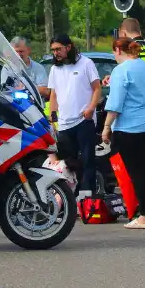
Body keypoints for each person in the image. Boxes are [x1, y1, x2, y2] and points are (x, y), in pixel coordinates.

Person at [101, 38, 145, 229]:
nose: (114, 57)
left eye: (114, 53)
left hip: (131, 128)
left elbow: (115, 104)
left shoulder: (121, 70)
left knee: (138, 172)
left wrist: (106, 127)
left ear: (118, 50)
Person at [47, 34, 102, 196]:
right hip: (64, 123)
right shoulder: (54, 69)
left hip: (83, 121)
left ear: (68, 47)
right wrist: (53, 119)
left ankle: (87, 197)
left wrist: (91, 109)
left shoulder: (86, 63)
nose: (55, 53)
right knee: (68, 163)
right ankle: (70, 197)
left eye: (58, 49)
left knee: (87, 160)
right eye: (53, 50)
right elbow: (54, 95)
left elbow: (97, 88)